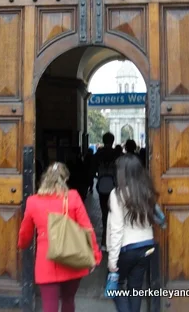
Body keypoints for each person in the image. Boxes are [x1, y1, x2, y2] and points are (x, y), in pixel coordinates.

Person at [18, 162, 102, 312]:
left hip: (46, 260)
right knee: (69, 301)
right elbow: (87, 228)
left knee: (49, 306)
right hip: (73, 257)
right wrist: (95, 255)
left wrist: (22, 245)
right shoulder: (73, 197)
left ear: (44, 179)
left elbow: (25, 233)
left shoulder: (33, 201)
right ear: (65, 179)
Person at [106, 153, 158, 312]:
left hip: (127, 248)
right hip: (147, 246)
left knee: (115, 287)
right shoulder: (147, 192)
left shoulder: (117, 194)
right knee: (135, 288)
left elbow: (116, 228)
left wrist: (112, 260)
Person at [92, 132, 118, 249]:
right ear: (112, 141)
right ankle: (113, 240)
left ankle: (103, 241)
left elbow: (92, 168)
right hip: (114, 186)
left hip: (102, 185)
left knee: (104, 213)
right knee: (115, 213)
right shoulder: (117, 154)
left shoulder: (99, 153)